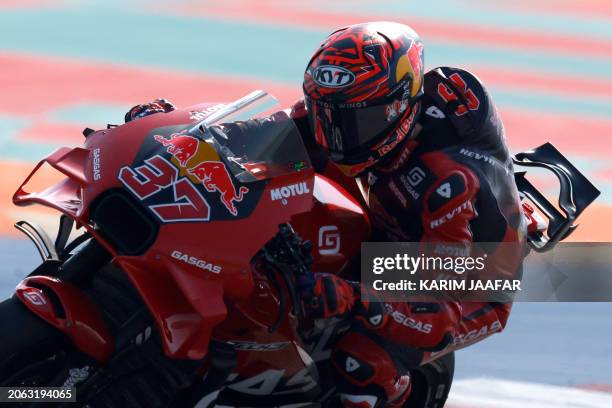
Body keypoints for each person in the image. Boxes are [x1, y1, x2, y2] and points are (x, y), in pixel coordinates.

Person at [124, 22, 525, 408]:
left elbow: (437, 311)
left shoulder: (448, 183)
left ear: (399, 107)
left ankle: (388, 392)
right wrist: (172, 134)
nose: (336, 137)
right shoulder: (342, 115)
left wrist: (357, 297)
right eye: (325, 115)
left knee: (361, 363)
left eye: (356, 122)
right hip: (392, 229)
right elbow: (257, 138)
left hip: (468, 278)